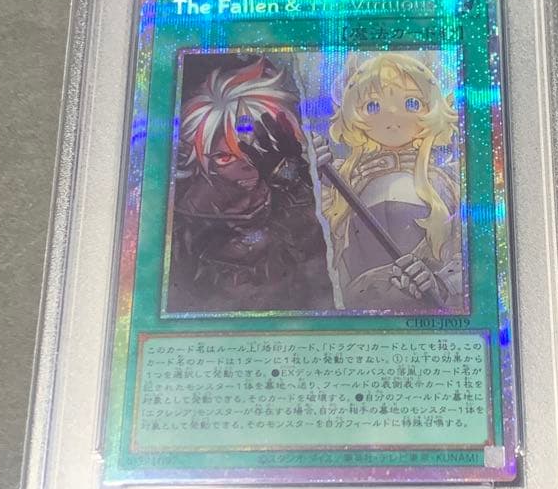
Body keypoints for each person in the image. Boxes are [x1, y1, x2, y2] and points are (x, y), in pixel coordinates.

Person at [168, 56, 334, 312]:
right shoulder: (191, 221)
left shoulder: (286, 185)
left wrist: (297, 181)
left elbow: (317, 268)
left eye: (257, 150)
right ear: (201, 159)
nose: (246, 166)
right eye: (225, 157)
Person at [315, 52, 464, 313]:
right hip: (358, 319)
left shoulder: (447, 182)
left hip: (426, 318)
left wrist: (441, 284)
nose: (392, 117)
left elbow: (477, 254)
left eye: (412, 103)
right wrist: (307, 166)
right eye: (373, 105)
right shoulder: (339, 181)